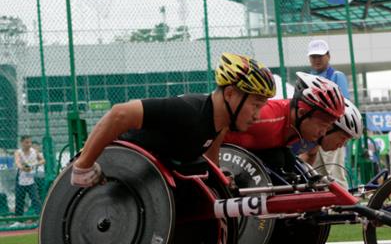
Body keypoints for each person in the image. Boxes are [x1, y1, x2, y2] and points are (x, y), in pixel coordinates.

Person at [70, 53, 276, 187]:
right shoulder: (187, 111)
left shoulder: (220, 125)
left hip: (146, 181)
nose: (257, 116)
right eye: (256, 105)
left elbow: (210, 162)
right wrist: (83, 166)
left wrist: (222, 182)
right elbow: (119, 113)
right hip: (111, 169)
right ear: (230, 93)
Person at [224, 72, 345, 177]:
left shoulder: (299, 127)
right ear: (302, 113)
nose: (323, 133)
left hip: (246, 155)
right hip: (221, 157)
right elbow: (215, 122)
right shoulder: (265, 118)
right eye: (323, 125)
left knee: (286, 162)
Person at [307, 39, 350, 188]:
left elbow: (344, 107)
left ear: (328, 56)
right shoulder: (307, 78)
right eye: (313, 57)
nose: (317, 60)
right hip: (313, 136)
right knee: (317, 177)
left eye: (320, 56)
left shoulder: (337, 76)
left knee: (335, 176)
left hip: (332, 134)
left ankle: (346, 209)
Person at [297, 100, 363, 187]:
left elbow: (308, 157)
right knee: (334, 178)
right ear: (328, 127)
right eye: (343, 138)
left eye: (346, 141)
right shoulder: (302, 133)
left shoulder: (314, 143)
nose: (341, 145)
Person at [14, 135, 45, 216]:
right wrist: (23, 168)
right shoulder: (18, 152)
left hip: (31, 178)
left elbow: (43, 160)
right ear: (22, 143)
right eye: (26, 142)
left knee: (35, 199)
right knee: (19, 199)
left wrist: (33, 164)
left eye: (30, 142)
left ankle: (40, 217)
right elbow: (17, 162)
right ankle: (18, 220)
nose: (29, 144)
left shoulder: (34, 151)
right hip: (21, 178)